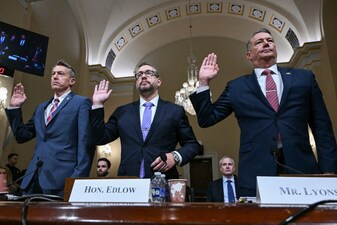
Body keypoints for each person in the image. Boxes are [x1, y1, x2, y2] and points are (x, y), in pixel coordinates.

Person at [189, 28, 337, 197]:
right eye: (259, 42)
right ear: (249, 55)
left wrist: (329, 170)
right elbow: (207, 119)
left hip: (302, 166)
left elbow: (322, 126)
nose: (266, 43)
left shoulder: (304, 78)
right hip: (255, 170)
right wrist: (203, 82)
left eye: (270, 40)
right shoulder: (236, 87)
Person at [90, 62, 200, 179]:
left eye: (149, 73)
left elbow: (192, 145)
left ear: (159, 81)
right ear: (136, 83)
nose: (143, 76)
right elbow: (99, 138)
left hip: (162, 180)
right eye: (139, 74)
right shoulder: (122, 112)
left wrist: (175, 156)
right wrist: (97, 105)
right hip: (128, 182)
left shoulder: (174, 111)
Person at [5, 59, 95, 197]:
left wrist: (76, 179)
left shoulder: (81, 103)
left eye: (60, 74)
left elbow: (86, 143)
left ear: (72, 81)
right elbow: (22, 136)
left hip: (61, 179)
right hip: (32, 178)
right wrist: (15, 107)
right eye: (53, 74)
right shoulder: (41, 107)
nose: (55, 76)